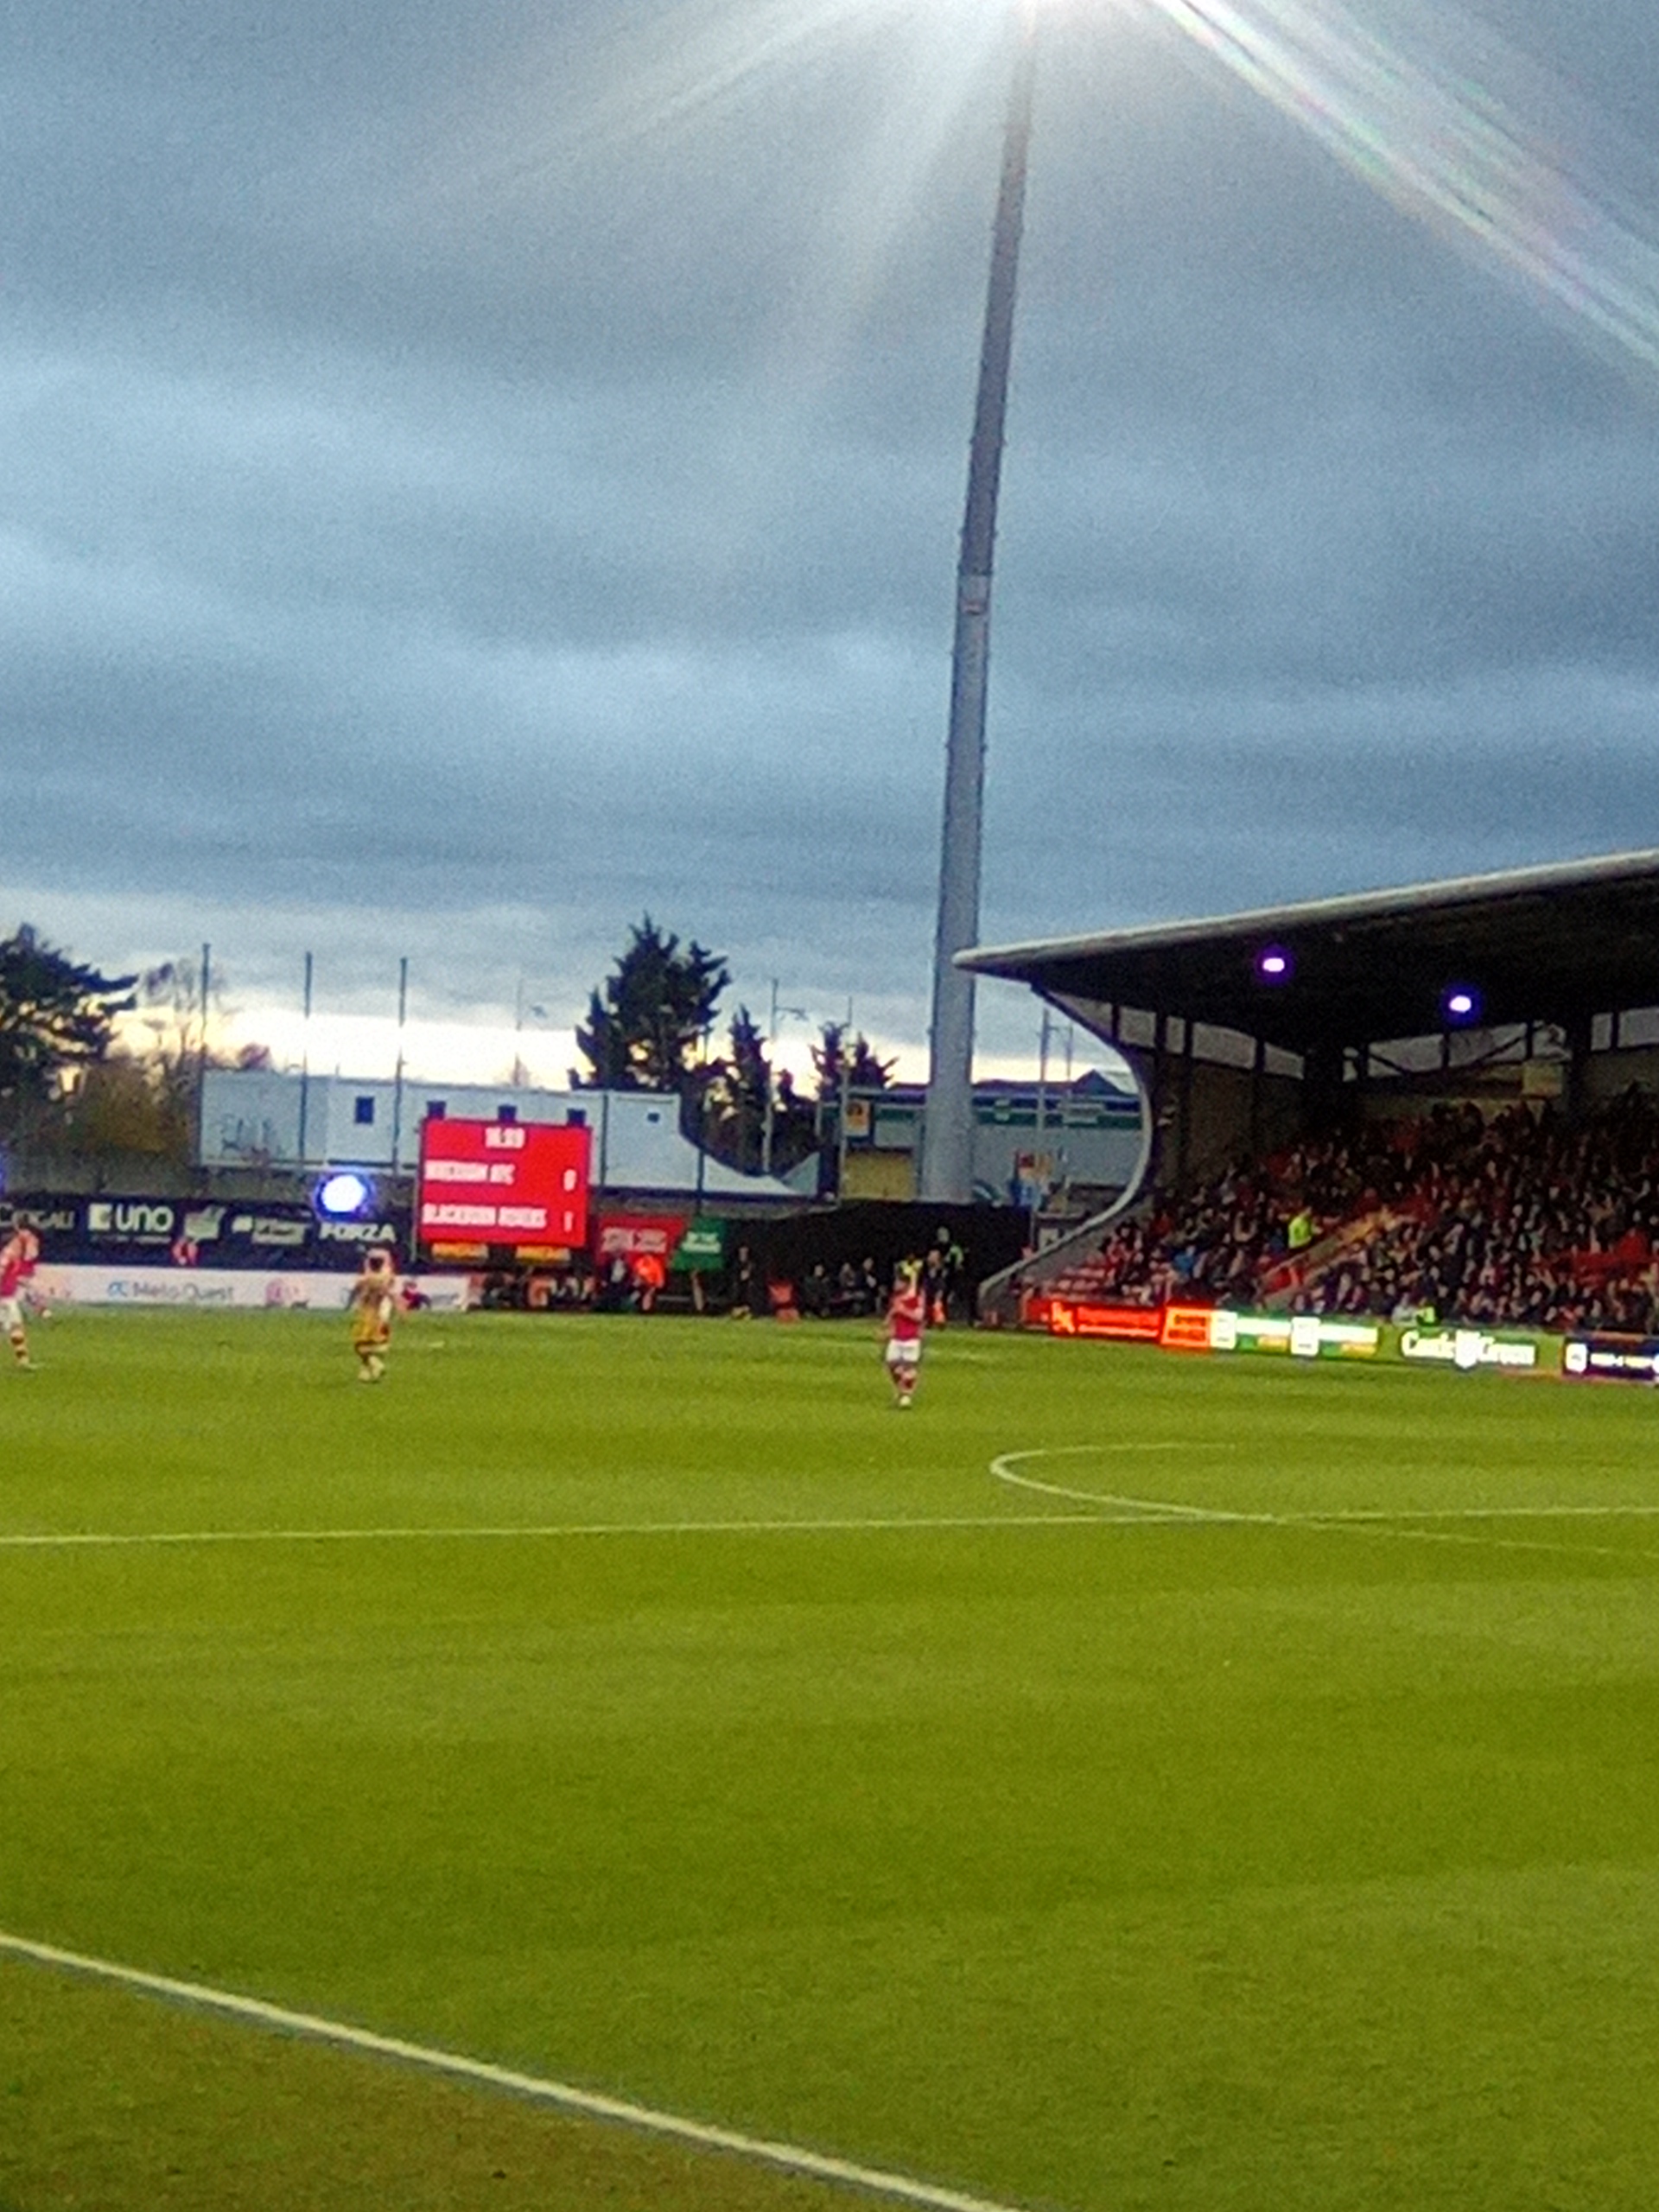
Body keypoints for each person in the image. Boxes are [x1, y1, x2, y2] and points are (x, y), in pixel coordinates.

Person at [347, 1247, 397, 1382]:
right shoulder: (384, 1279)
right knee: (372, 1344)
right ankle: (365, 1372)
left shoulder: (364, 1280)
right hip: (377, 1314)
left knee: (360, 1345)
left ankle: (376, 1363)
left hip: (365, 1314)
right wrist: (398, 1308)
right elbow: (390, 1294)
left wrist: (348, 1305)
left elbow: (354, 1292)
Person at [884, 1261, 926, 1409]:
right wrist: (887, 1326)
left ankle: (906, 1395)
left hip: (911, 1338)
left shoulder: (916, 1297)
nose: (895, 1284)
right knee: (892, 1365)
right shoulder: (896, 1297)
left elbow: (919, 1317)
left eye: (898, 1281)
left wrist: (903, 1311)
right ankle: (902, 1391)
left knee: (909, 1367)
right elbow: (894, 1313)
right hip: (897, 1337)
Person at [1, 1218, 41, 1371]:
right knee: (13, 1326)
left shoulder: (17, 1253)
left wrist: (30, 1291)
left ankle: (23, 1361)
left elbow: (15, 1277)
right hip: (3, 1297)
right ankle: (23, 1361)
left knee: (15, 1326)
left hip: (7, 1296)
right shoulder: (10, 1252)